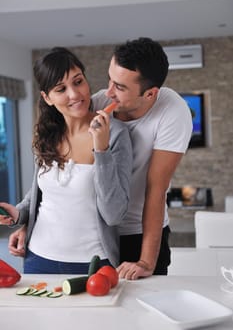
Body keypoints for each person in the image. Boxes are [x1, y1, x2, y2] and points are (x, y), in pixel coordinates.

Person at [0, 47, 132, 274]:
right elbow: (42, 194)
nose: (75, 94)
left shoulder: (115, 133)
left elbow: (114, 214)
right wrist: (18, 214)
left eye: (78, 81)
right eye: (61, 89)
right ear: (47, 98)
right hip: (38, 258)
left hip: (94, 263)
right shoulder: (45, 135)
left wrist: (101, 149)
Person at [91, 37, 193, 280]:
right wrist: (26, 223)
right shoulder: (99, 102)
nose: (109, 92)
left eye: (121, 87)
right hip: (97, 230)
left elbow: (155, 189)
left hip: (140, 232)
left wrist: (146, 261)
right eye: (110, 80)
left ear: (150, 94)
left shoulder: (172, 111)